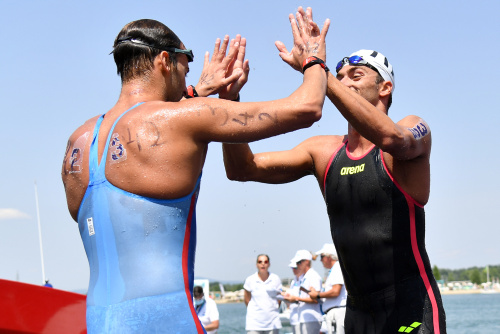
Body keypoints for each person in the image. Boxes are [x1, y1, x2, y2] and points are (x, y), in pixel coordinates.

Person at [61, 10, 330, 333]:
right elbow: (307, 107)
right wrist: (313, 59)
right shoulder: (186, 118)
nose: (189, 78)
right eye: (185, 65)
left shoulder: (78, 143)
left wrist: (201, 93)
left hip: (99, 322)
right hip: (168, 320)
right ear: (164, 60)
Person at [222, 8, 446, 333]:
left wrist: (316, 70)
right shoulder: (323, 151)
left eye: (356, 76)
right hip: (356, 316)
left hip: (412, 309)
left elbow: (392, 138)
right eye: (339, 78)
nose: (343, 83)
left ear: (385, 88)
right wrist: (231, 101)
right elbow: (243, 168)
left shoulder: (411, 128)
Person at [309, 243, 347, 334]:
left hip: (337, 312)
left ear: (328, 257)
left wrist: (317, 295)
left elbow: (335, 291)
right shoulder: (335, 269)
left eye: (322, 257)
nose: (320, 260)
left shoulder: (337, 268)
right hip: (336, 312)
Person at [282, 250, 322, 333]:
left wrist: (295, 298)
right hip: (304, 319)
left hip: (311, 319)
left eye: (299, 262)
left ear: (307, 262)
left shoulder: (313, 276)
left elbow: (315, 299)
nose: (297, 265)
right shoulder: (305, 277)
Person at [244, 254, 283, 334]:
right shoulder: (250, 280)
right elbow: (247, 299)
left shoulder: (275, 279)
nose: (263, 264)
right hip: (254, 324)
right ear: (256, 265)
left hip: (272, 323)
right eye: (260, 262)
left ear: (269, 264)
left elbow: (279, 299)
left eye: (265, 262)